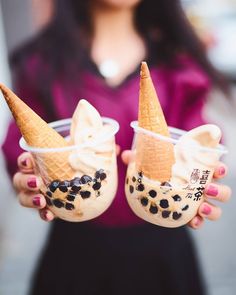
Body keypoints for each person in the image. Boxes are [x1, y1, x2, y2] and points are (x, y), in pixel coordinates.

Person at [2, 0, 231, 294]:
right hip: (74, 256)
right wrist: (29, 177)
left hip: (162, 255)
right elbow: (19, 151)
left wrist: (204, 175)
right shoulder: (41, 63)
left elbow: (200, 137)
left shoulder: (180, 61)